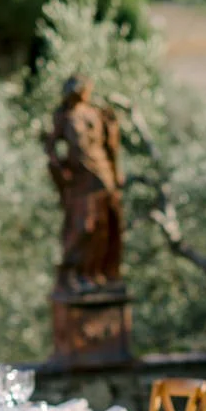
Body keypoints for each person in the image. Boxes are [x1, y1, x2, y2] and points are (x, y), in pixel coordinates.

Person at [45, 76, 125, 293]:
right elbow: (50, 146)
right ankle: (73, 273)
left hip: (103, 175)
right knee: (83, 227)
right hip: (81, 179)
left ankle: (96, 273)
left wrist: (116, 173)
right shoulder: (64, 116)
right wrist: (59, 170)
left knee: (104, 227)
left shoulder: (96, 113)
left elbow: (110, 145)